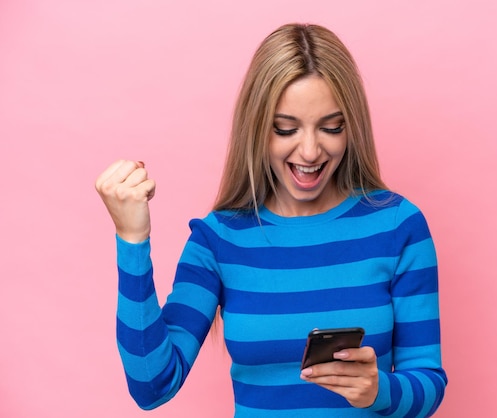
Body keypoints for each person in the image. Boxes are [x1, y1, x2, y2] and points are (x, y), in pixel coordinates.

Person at [95, 23, 447, 417]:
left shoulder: (399, 226)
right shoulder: (219, 239)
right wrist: (131, 240)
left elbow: (429, 381)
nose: (311, 151)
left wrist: (378, 390)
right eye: (285, 128)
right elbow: (151, 386)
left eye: (331, 127)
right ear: (257, 127)